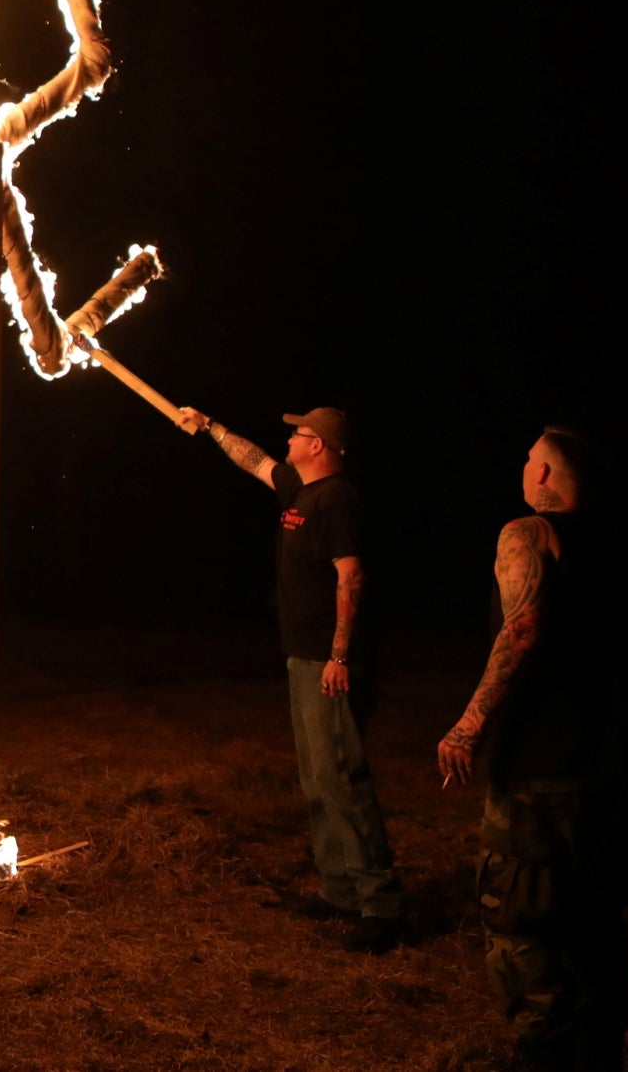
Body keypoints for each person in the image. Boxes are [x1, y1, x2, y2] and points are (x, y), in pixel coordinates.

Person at [438, 427, 628, 1072]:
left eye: (529, 460)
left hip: (538, 766)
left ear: (547, 476)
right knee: (597, 923)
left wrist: (468, 725)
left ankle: (545, 1056)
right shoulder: (623, 545)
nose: (523, 470)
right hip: (609, 767)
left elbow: (522, 627)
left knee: (524, 926)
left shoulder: (526, 534)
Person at [174, 402, 405, 950]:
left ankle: (381, 904)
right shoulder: (298, 489)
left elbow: (351, 578)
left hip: (331, 661)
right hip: (301, 655)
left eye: (297, 434)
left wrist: (340, 656)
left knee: (342, 777)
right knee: (316, 778)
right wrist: (209, 426)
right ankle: (338, 890)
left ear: (318, 445)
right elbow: (251, 460)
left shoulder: (337, 499)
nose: (288, 441)